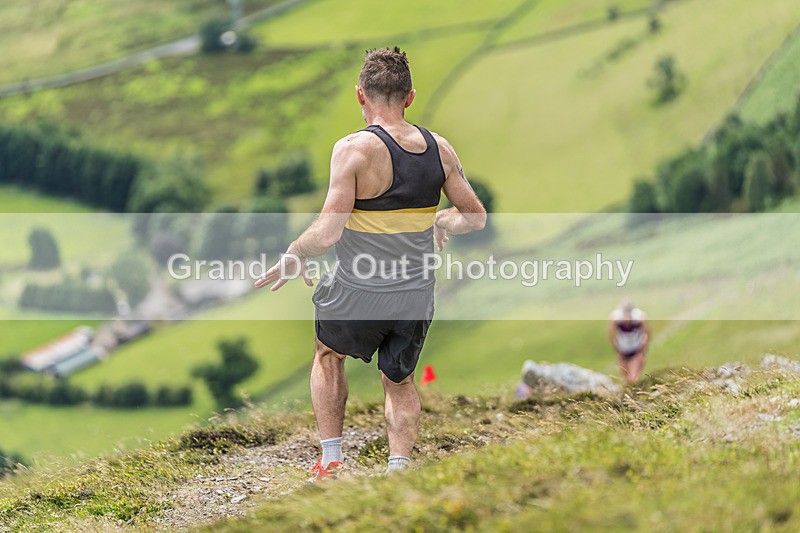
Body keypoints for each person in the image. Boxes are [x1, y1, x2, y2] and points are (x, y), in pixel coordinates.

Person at [255, 47, 486, 479]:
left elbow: (326, 233)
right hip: (415, 292)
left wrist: (294, 253)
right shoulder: (441, 150)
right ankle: (398, 470)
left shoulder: (353, 150)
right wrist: (440, 220)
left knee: (328, 354)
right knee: (399, 380)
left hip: (360, 290)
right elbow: (474, 217)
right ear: (410, 96)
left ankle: (331, 460)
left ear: (360, 95)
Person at [608, 300, 650, 384]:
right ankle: (626, 394)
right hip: (622, 349)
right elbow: (611, 334)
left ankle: (635, 392)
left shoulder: (640, 317)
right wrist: (617, 348)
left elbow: (647, 333)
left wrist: (642, 350)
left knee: (634, 377)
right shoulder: (615, 318)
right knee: (625, 378)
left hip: (637, 349)